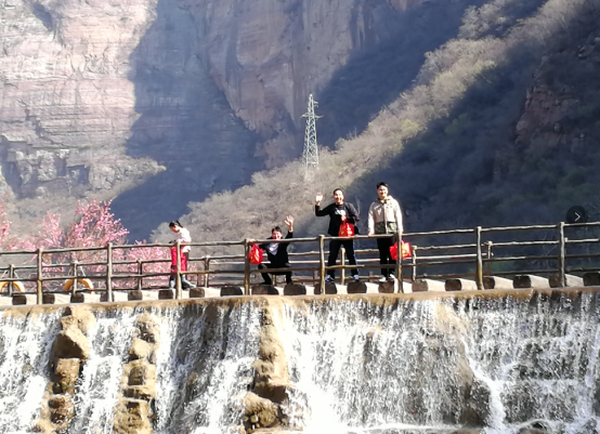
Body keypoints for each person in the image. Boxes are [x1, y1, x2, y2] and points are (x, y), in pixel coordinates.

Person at [315, 188, 360, 283]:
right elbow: (319, 213)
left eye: (339, 195)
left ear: (343, 196)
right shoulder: (332, 207)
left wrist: (347, 219)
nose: (338, 197)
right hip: (335, 235)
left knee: (351, 255)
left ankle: (355, 275)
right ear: (333, 196)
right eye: (336, 195)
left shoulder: (348, 206)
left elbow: (356, 217)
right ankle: (330, 275)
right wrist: (318, 203)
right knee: (332, 255)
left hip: (347, 235)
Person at [368, 182, 403, 282]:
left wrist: (400, 228)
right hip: (380, 232)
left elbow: (398, 216)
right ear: (377, 191)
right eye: (380, 189)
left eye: (384, 189)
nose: (382, 191)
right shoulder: (374, 205)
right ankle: (383, 274)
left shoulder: (393, 202)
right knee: (383, 254)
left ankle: (391, 273)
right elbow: (371, 218)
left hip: (392, 231)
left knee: (393, 253)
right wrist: (371, 230)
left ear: (387, 191)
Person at [258, 216, 294, 285]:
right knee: (261, 266)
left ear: (281, 235)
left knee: (289, 268)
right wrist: (251, 242)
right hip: (273, 266)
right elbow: (258, 246)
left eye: (277, 234)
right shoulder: (268, 243)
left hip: (283, 266)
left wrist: (290, 227)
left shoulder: (283, 243)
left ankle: (289, 283)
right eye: (274, 234)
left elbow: (289, 236)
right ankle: (268, 282)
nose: (276, 236)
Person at [168, 220, 195, 289]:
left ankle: (186, 286)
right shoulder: (181, 232)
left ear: (175, 226)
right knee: (181, 271)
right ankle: (182, 286)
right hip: (181, 251)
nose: (173, 231)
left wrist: (177, 242)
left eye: (172, 229)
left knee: (181, 269)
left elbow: (187, 240)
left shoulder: (183, 232)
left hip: (183, 250)